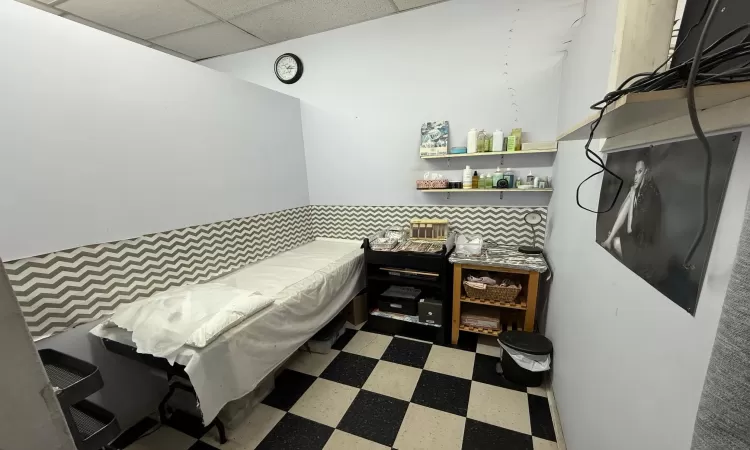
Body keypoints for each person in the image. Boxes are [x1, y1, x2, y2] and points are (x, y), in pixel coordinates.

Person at [601, 154, 662, 281]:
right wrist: (632, 194)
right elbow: (624, 211)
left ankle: (612, 242)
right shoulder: (642, 187)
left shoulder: (650, 194)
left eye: (639, 172)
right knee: (630, 196)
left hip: (643, 247)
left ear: (646, 172)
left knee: (616, 242)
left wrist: (633, 194)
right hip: (637, 238)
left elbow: (630, 229)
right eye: (635, 172)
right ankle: (610, 238)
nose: (636, 176)